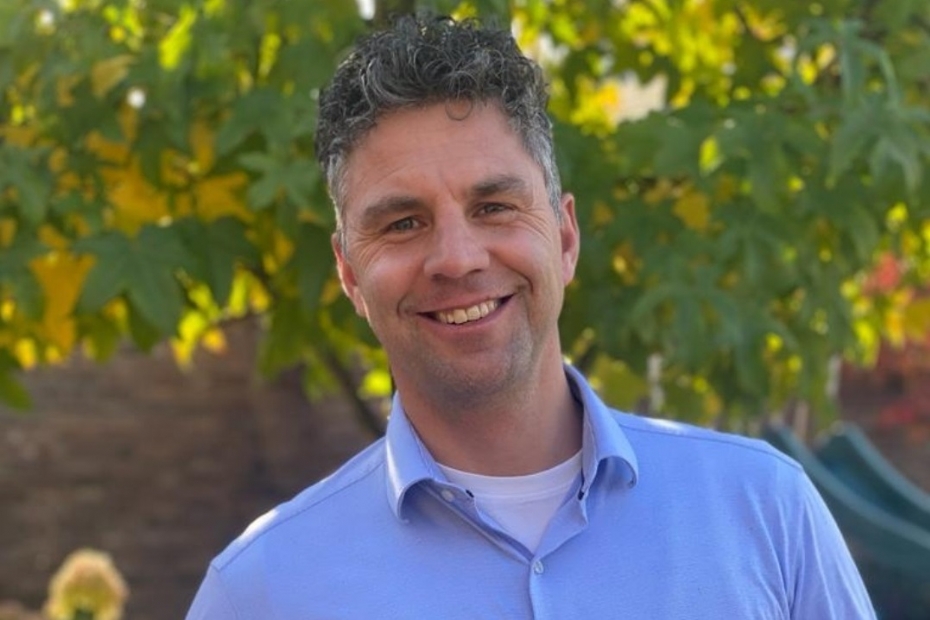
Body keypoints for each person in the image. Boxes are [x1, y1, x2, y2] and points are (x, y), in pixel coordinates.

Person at [186, 14, 876, 619]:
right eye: (402, 223)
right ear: (348, 275)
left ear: (566, 237)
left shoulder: (765, 511)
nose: (457, 259)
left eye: (493, 207)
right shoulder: (260, 593)